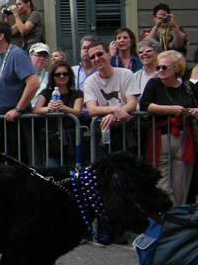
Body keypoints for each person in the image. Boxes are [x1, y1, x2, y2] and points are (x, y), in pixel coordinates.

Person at [140, 50, 198, 206]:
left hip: (185, 139)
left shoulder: (188, 87)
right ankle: (167, 218)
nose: (160, 70)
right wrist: (169, 109)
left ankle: (176, 222)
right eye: (159, 67)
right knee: (162, 185)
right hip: (161, 138)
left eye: (164, 67)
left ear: (177, 69)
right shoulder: (154, 83)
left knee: (181, 186)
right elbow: (145, 105)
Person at [0, 20, 39, 162]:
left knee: (16, 165)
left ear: (1, 36)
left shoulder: (17, 54)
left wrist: (18, 109)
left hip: (15, 123)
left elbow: (34, 83)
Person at [83, 40, 140, 154]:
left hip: (126, 130)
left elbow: (132, 103)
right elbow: (92, 109)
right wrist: (114, 110)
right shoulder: (89, 81)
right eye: (92, 57)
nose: (97, 58)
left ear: (109, 55)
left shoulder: (126, 74)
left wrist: (114, 115)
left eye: (100, 54)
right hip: (103, 132)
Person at [32, 62, 84, 166]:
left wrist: (64, 108)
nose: (62, 76)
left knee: (73, 169)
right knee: (52, 169)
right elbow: (35, 109)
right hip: (52, 137)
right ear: (52, 76)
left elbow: (77, 112)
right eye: (58, 74)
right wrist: (48, 108)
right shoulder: (46, 92)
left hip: (72, 137)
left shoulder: (77, 93)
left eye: (65, 73)